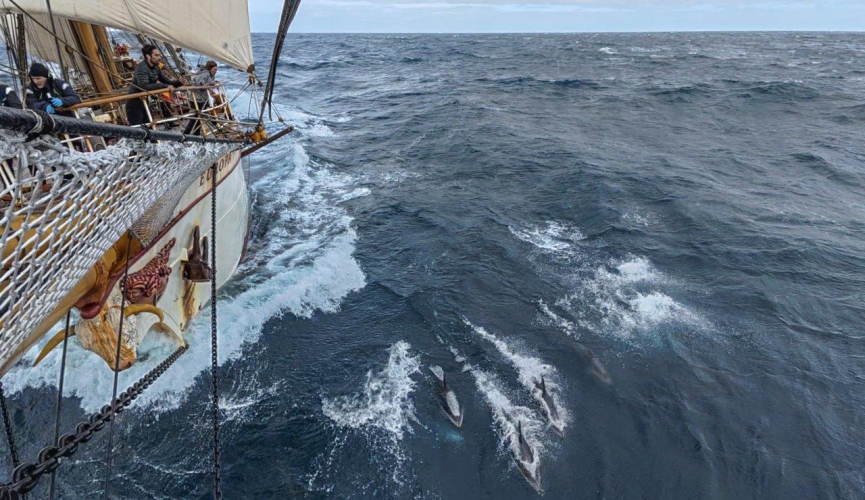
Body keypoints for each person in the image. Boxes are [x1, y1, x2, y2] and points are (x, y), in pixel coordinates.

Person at [125, 44, 183, 126]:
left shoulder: (156, 67)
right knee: (138, 128)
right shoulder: (141, 68)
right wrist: (165, 86)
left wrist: (179, 82)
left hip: (144, 100)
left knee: (149, 125)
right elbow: (144, 86)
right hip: (134, 102)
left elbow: (166, 81)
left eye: (159, 55)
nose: (159, 57)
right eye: (156, 55)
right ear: (148, 56)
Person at [184, 61, 218, 135]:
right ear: (210, 69)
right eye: (215, 69)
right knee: (197, 117)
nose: (216, 71)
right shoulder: (204, 74)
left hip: (203, 99)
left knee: (198, 117)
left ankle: (195, 133)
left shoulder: (210, 74)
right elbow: (199, 86)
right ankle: (187, 133)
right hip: (197, 99)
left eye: (216, 69)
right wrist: (210, 84)